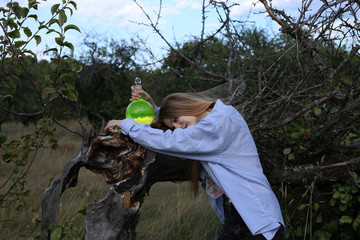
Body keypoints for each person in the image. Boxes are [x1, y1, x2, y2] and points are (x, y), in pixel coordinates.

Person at [105, 86, 285, 240]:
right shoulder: (216, 118)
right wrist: (154, 110)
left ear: (185, 105)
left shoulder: (218, 124)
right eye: (174, 126)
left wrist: (127, 124)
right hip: (242, 219)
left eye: (176, 121)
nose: (179, 127)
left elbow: (173, 141)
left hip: (257, 222)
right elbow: (185, 129)